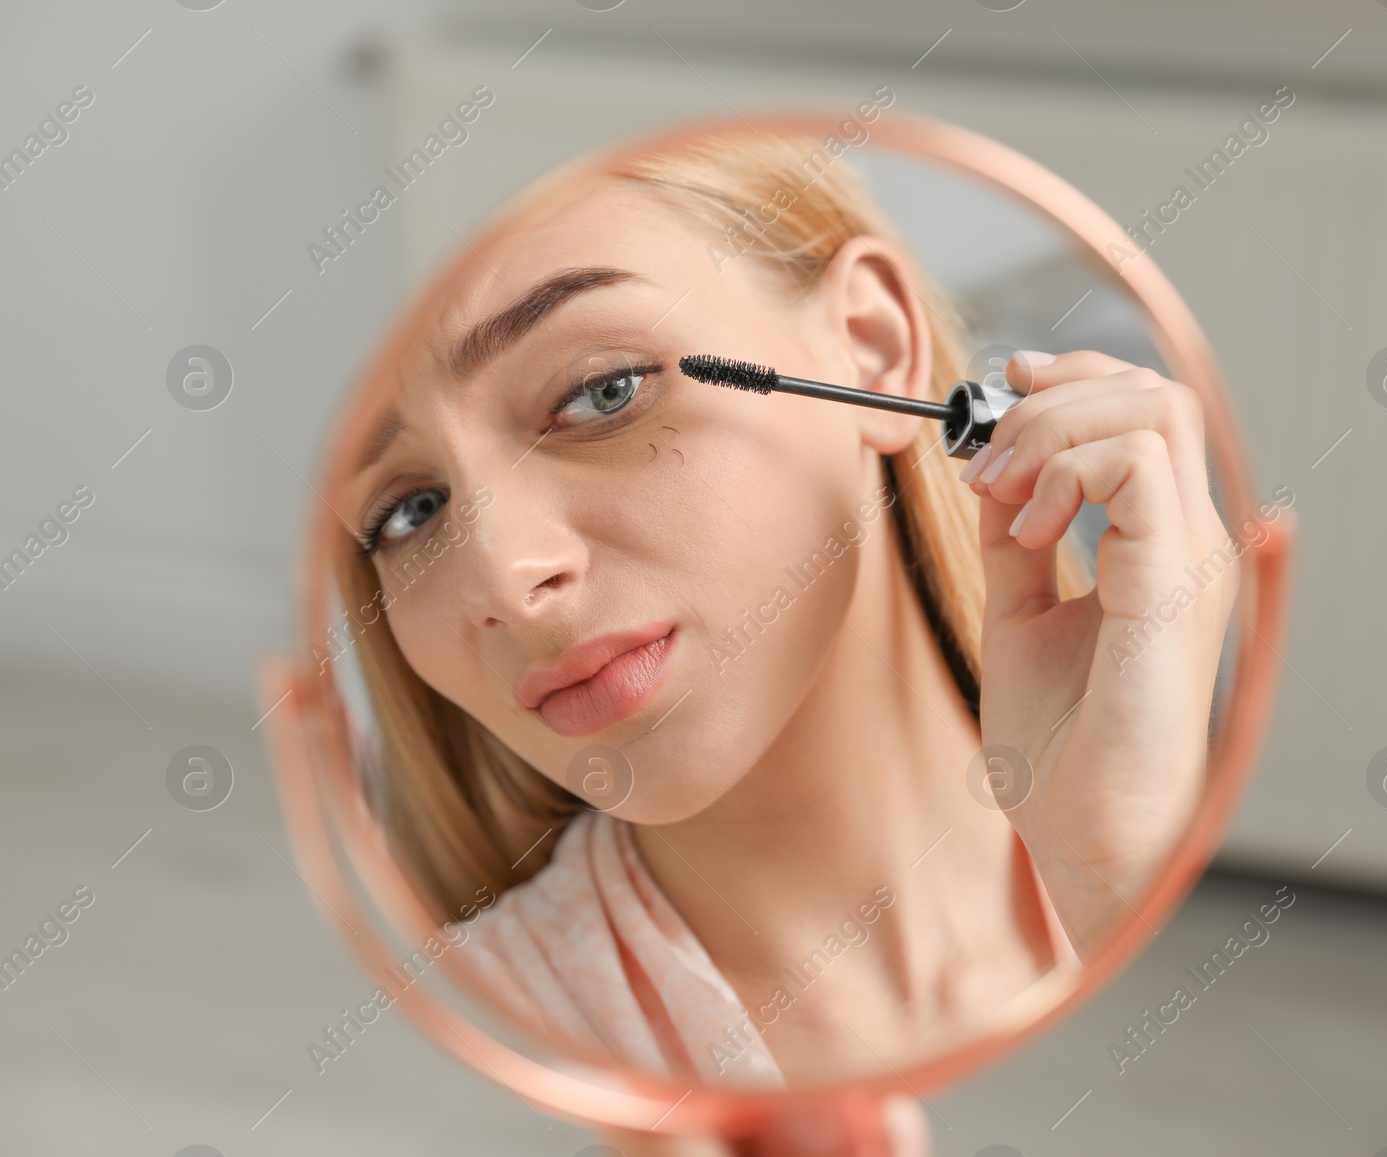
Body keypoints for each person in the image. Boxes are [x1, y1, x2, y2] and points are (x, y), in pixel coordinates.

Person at [331, 133, 1234, 1090]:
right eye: (409, 512)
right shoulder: (467, 1051)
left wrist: (1118, 887)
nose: (505, 579)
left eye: (605, 391)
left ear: (872, 346)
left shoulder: (1137, 862)